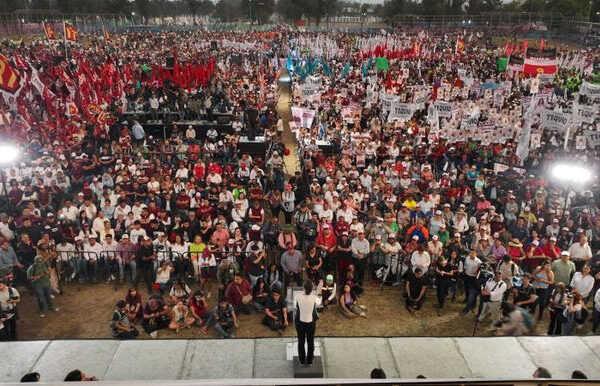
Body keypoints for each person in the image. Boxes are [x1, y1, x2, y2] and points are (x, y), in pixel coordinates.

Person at [295, 280, 318, 366]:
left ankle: (301, 360)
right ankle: (310, 360)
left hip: (300, 323)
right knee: (310, 342)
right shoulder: (314, 297)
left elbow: (297, 307)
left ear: (304, 288)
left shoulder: (298, 296)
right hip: (310, 323)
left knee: (301, 342)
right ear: (312, 289)